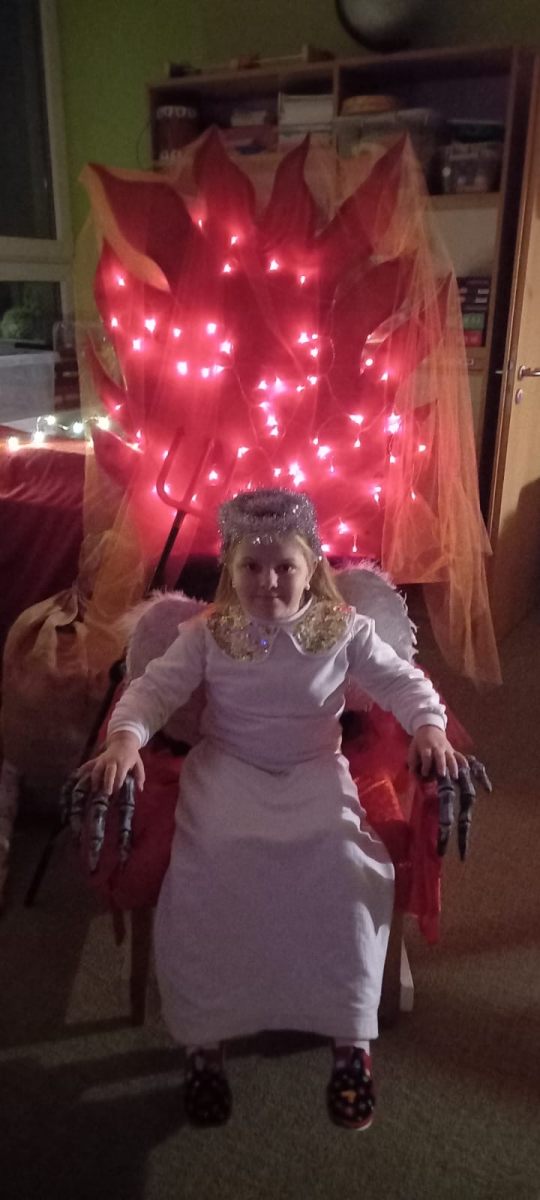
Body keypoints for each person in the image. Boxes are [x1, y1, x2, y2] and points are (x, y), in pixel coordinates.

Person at [80, 488, 460, 1131]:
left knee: (346, 868)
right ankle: (206, 1043)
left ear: (312, 567)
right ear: (231, 571)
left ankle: (350, 1041)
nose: (268, 581)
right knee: (210, 868)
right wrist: (124, 736)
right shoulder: (209, 634)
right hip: (228, 770)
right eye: (251, 567)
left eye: (285, 566)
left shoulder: (344, 628)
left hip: (313, 771)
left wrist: (428, 724)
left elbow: (403, 679)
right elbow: (152, 690)